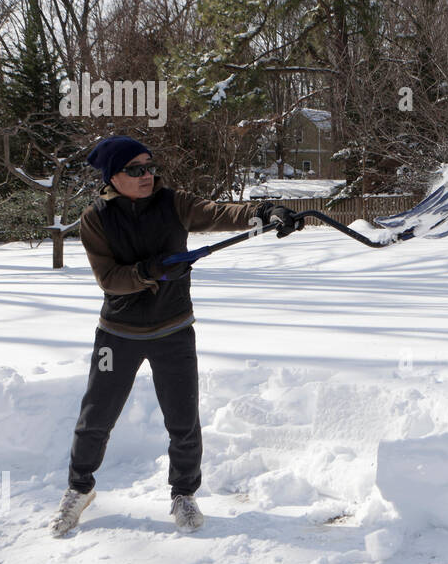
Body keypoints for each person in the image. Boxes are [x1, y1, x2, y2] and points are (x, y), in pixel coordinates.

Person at [50, 136, 292, 536]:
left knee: (182, 418)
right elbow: (109, 279)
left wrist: (266, 211)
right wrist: (152, 271)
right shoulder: (96, 217)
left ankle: (183, 493)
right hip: (118, 333)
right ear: (113, 176)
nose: (147, 175)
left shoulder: (173, 202)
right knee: (96, 416)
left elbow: (219, 212)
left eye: (149, 166)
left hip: (174, 328)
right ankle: (79, 488)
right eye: (136, 169)